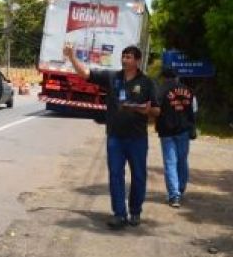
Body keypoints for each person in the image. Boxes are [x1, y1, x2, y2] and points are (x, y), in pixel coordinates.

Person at [63, 44, 160, 229]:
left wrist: (144, 110)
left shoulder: (147, 82)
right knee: (115, 175)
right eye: (123, 56)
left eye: (129, 57)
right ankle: (119, 214)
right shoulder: (113, 77)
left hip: (137, 138)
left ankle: (135, 211)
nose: (125, 60)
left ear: (138, 61)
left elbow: (157, 110)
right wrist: (72, 57)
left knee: (139, 176)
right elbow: (85, 74)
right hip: (115, 137)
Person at [155, 68, 195, 208]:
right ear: (176, 77)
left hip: (167, 131)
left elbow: (156, 109)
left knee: (170, 162)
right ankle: (181, 190)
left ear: (164, 77)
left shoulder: (160, 90)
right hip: (183, 130)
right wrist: (192, 127)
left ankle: (174, 195)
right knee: (182, 160)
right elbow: (193, 110)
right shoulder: (188, 90)